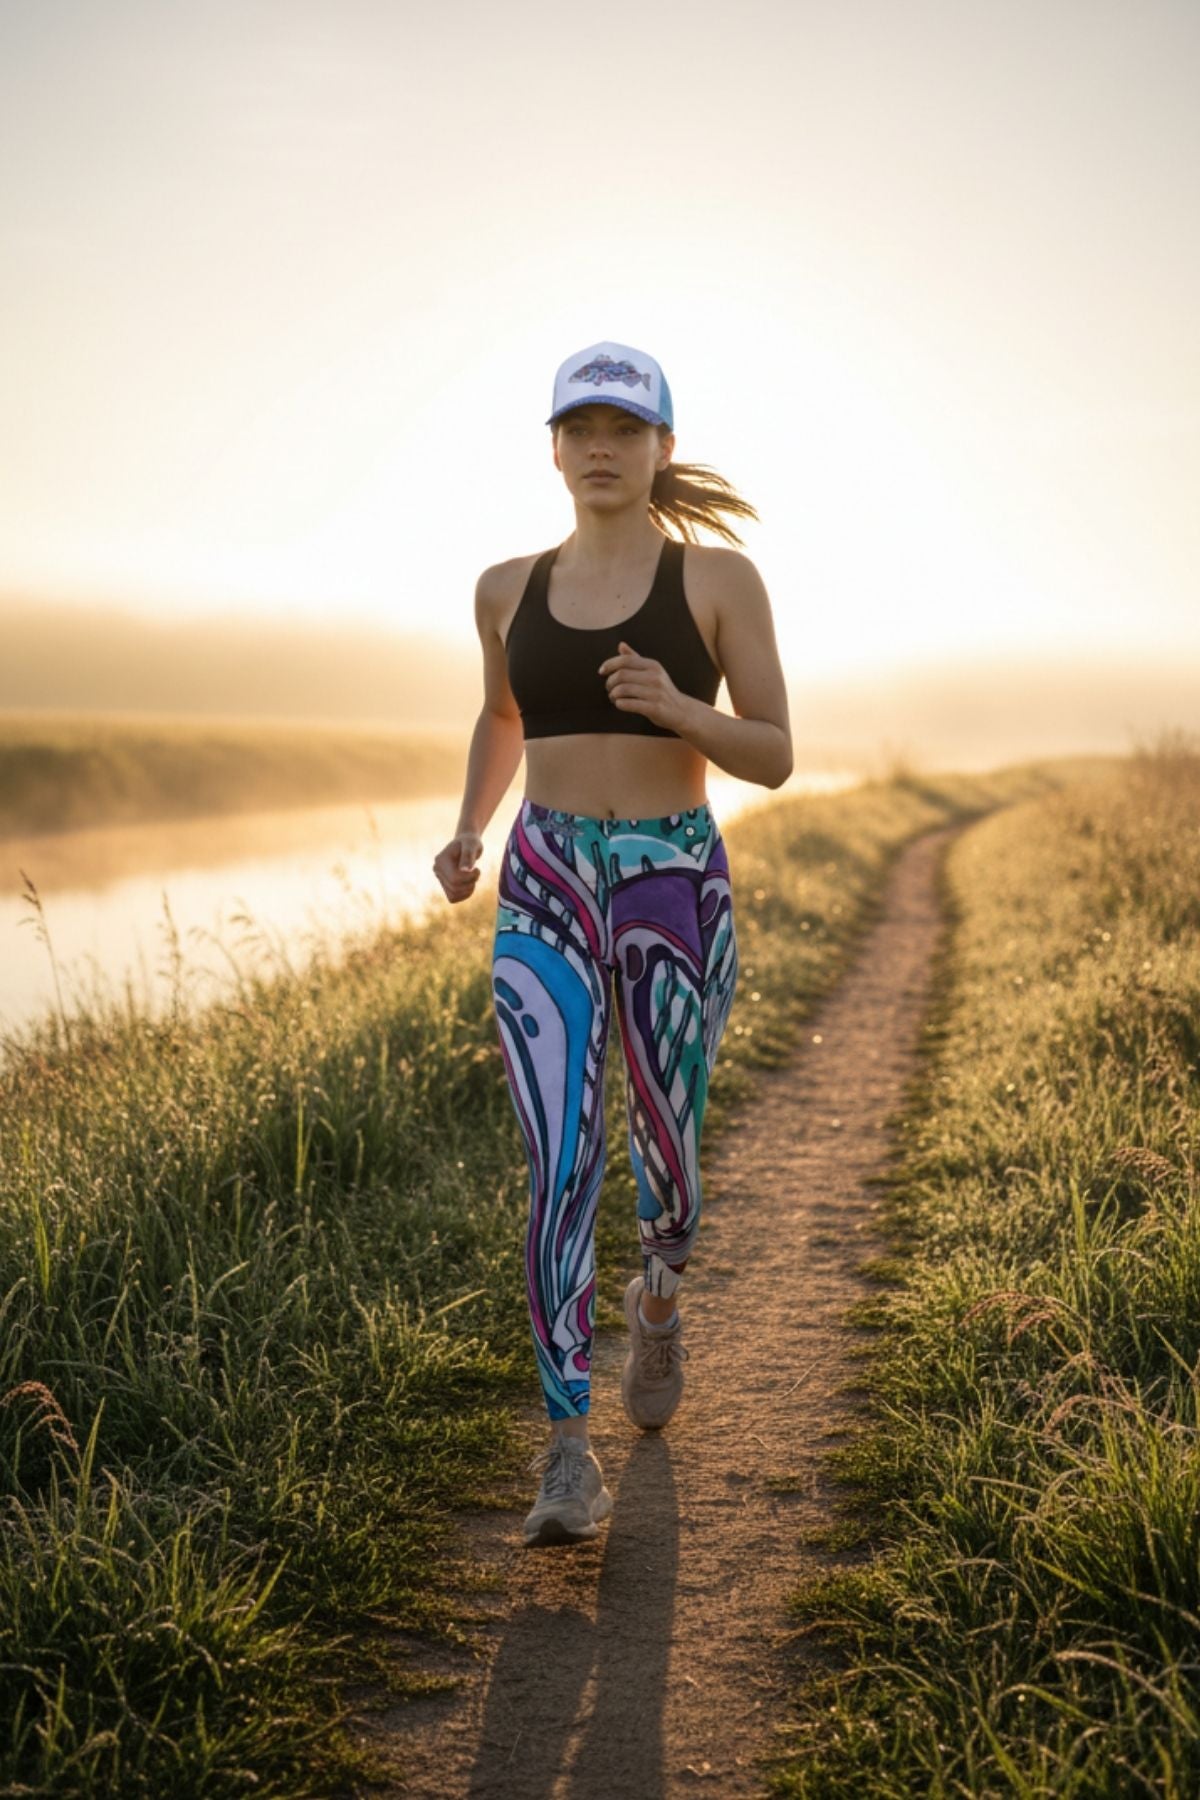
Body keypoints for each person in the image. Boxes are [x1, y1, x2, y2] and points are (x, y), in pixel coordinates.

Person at [432, 340, 792, 1547]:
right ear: (551, 446)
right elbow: (499, 713)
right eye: (579, 427)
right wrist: (469, 829)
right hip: (541, 880)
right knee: (558, 1158)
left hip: (671, 879)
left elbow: (776, 752)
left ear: (660, 449)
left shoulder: (718, 582)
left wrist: (679, 707)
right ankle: (565, 1453)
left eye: (623, 430)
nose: (599, 447)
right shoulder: (504, 587)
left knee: (667, 1148)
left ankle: (661, 1294)